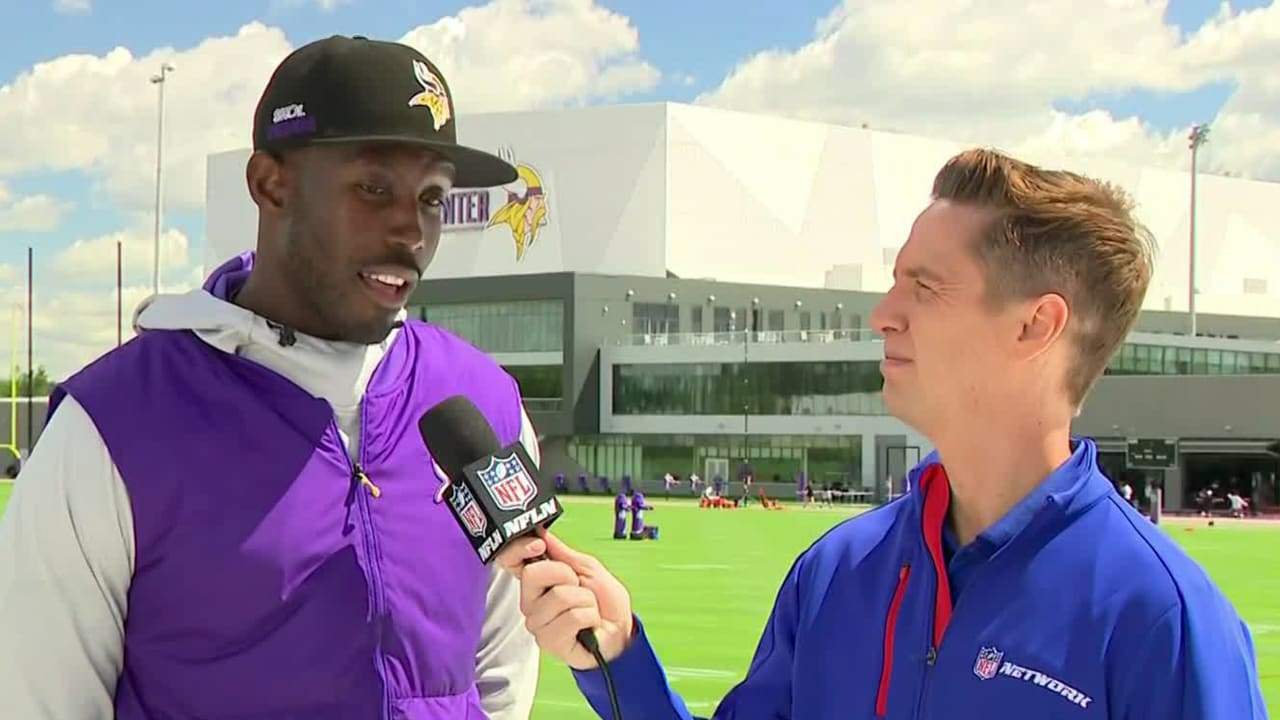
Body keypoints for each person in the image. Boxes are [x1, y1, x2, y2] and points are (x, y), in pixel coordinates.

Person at [497, 148, 1268, 718]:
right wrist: (619, 655)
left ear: (1037, 324)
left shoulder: (1163, 620)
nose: (882, 313)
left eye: (923, 287)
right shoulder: (837, 572)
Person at [0, 36, 541, 720]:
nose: (411, 229)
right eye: (375, 187)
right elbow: (39, 702)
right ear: (270, 184)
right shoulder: (110, 427)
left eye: (431, 198)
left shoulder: (485, 403)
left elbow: (500, 674)